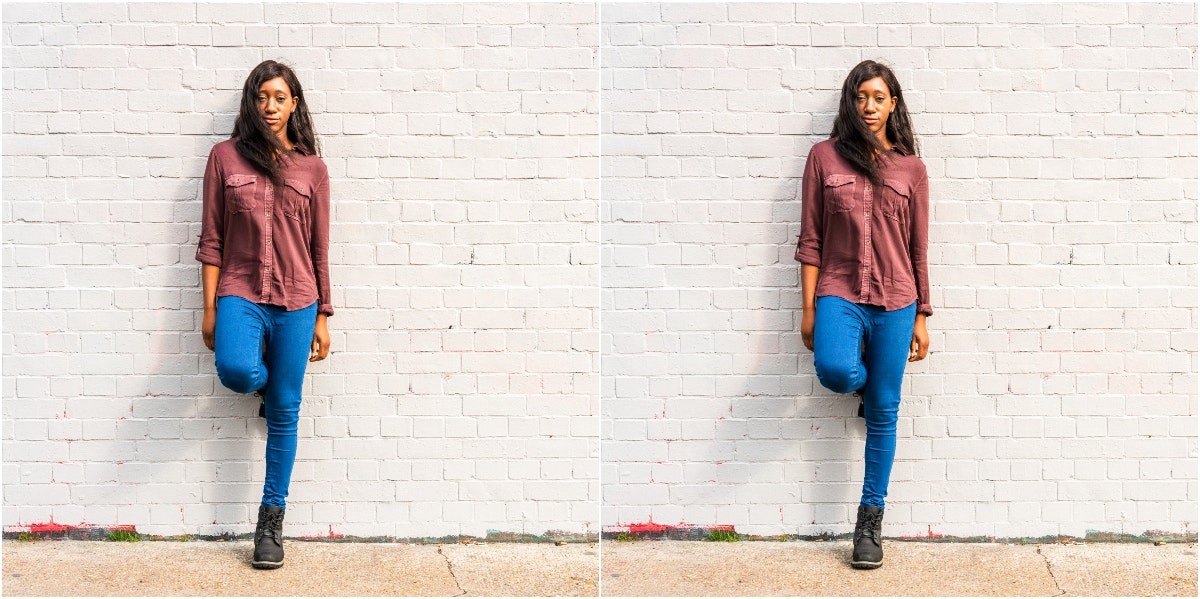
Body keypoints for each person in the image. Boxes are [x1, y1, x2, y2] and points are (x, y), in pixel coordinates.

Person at [794, 60, 930, 570]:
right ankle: (864, 384)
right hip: (839, 292)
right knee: (834, 370)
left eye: (879, 97)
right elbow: (810, 240)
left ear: (893, 103)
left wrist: (922, 316)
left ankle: (869, 522)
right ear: (850, 103)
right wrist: (809, 310)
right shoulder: (823, 158)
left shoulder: (911, 169)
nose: (869, 106)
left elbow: (918, 248)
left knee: (885, 411)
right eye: (861, 97)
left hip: (898, 299)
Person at [196, 60, 332, 570]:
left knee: (286, 410)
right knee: (235, 370)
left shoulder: (312, 169)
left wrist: (324, 316)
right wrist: (210, 311)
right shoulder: (224, 158)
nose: (270, 106)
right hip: (240, 292)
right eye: (262, 97)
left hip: (299, 300)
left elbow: (320, 248)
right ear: (251, 103)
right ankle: (265, 384)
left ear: (294, 104)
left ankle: (270, 521)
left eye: (280, 97)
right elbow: (211, 240)